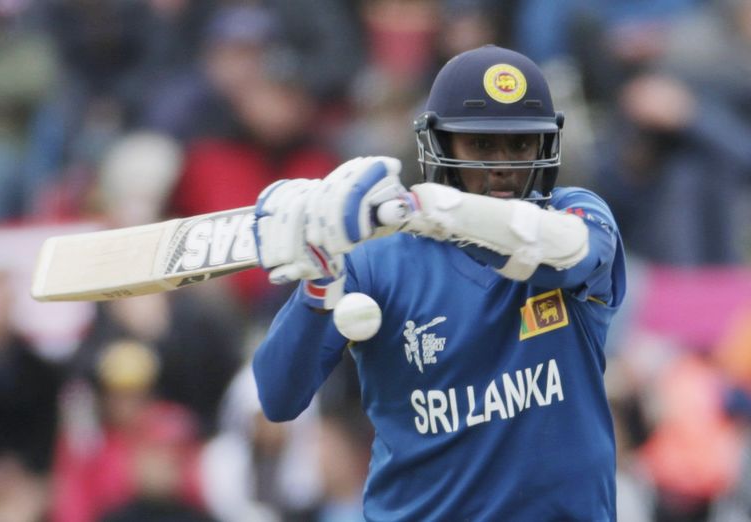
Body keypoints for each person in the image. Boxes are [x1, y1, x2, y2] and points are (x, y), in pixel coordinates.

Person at [251, 45, 626, 521]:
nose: (504, 164)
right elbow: (279, 397)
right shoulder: (375, 261)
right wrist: (319, 282)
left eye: (520, 143)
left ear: (545, 146)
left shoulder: (578, 214)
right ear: (441, 146)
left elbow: (566, 251)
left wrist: (427, 210)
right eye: (481, 145)